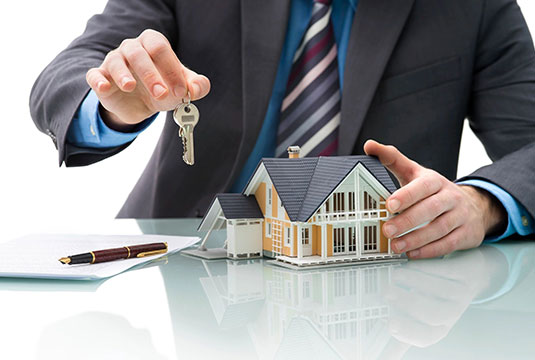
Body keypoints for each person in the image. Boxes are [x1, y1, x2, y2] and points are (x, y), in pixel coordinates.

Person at [30, 0, 535, 259]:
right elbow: (69, 71)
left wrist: (483, 203)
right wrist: (113, 100)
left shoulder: (477, 6)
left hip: (384, 277)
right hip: (184, 261)